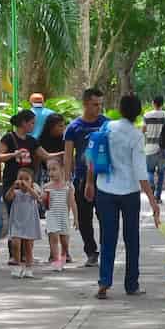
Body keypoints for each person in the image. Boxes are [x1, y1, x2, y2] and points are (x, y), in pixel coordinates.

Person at [85, 92, 164, 300]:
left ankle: (104, 283)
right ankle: (131, 284)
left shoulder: (107, 127)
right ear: (138, 113)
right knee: (132, 239)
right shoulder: (136, 136)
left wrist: (89, 182)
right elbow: (140, 172)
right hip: (129, 193)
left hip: (105, 188)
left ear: (120, 109)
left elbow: (94, 157)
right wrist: (152, 200)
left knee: (107, 237)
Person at [62, 88, 109, 266]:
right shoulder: (74, 127)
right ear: (85, 104)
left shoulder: (106, 123)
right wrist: (67, 180)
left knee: (105, 216)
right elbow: (68, 155)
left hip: (104, 178)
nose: (98, 108)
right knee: (83, 218)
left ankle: (106, 249)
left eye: (100, 105)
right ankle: (91, 251)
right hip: (81, 178)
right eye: (95, 104)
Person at [0, 109, 40, 267]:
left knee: (27, 215)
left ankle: (25, 254)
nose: (33, 126)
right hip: (12, 180)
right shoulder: (9, 138)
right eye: (32, 123)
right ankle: (14, 254)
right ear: (23, 123)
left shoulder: (32, 140)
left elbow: (44, 154)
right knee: (14, 216)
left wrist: (62, 154)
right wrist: (13, 155)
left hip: (28, 182)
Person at [5, 169, 46, 278]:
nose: (23, 181)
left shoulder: (32, 191)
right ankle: (17, 267)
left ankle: (28, 268)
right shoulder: (16, 193)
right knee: (15, 244)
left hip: (29, 223)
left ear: (32, 182)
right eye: (20, 178)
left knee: (28, 246)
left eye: (26, 179)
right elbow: (8, 197)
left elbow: (37, 198)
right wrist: (13, 186)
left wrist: (28, 187)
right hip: (16, 223)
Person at [42, 151, 75, 270]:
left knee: (64, 242)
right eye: (49, 170)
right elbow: (44, 202)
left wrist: (76, 218)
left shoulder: (68, 186)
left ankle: (63, 256)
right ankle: (56, 262)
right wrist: (42, 197)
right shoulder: (46, 187)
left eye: (54, 169)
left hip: (63, 216)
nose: (51, 172)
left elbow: (72, 203)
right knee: (54, 238)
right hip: (51, 215)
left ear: (62, 169)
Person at [142, 95, 165, 194]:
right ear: (162, 104)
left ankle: (151, 185)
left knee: (149, 171)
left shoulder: (147, 115)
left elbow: (143, 130)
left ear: (153, 103)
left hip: (149, 147)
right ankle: (158, 196)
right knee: (161, 173)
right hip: (163, 147)